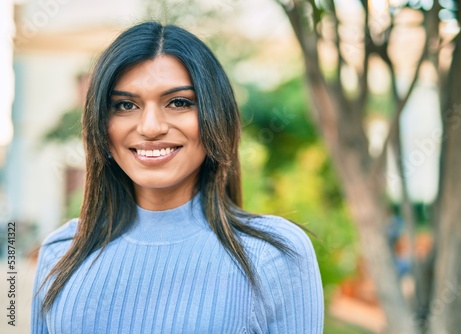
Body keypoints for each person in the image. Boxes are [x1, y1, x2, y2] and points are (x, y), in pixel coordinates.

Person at [31, 22, 324, 333]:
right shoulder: (61, 253)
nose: (151, 126)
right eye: (125, 105)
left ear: (216, 116)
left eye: (179, 102)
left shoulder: (272, 254)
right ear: (102, 124)